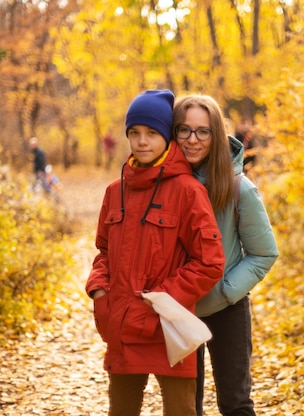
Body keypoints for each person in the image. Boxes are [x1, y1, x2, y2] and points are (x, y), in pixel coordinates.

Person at [85, 90, 226, 416]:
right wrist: (100, 290)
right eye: (134, 133)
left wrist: (161, 300)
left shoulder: (189, 191)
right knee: (120, 411)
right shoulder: (114, 191)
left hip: (167, 327)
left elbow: (209, 262)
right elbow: (103, 251)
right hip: (122, 326)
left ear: (167, 137)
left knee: (180, 411)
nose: (142, 141)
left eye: (151, 133)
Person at [173, 94, 279, 416]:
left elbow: (264, 253)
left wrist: (225, 291)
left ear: (216, 134)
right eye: (184, 130)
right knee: (186, 407)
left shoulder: (238, 188)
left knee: (235, 404)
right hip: (180, 310)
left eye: (202, 131)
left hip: (227, 310)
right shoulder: (163, 188)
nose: (193, 140)